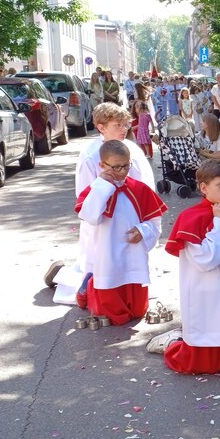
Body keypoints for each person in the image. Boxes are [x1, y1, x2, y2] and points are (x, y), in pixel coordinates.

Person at [147, 160, 220, 374]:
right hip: (209, 295)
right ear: (204, 187)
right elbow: (206, 260)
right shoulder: (191, 217)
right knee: (203, 364)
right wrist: (219, 224)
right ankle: (172, 342)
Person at [47, 104, 156, 306]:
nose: (124, 129)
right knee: (99, 269)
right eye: (117, 125)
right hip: (103, 223)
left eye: (125, 124)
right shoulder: (91, 155)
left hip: (131, 217)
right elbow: (84, 195)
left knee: (130, 265)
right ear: (101, 127)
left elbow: (146, 185)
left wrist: (145, 219)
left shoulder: (132, 150)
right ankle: (62, 276)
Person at [75, 140, 167, 326]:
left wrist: (143, 230)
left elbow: (155, 222)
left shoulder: (139, 189)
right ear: (102, 165)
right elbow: (90, 216)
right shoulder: (96, 189)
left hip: (133, 253)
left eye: (126, 166)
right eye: (116, 167)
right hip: (107, 253)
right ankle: (87, 288)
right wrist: (103, 186)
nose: (123, 171)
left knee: (138, 311)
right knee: (113, 314)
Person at [131, 89, 158, 158]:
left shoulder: (145, 114)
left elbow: (151, 121)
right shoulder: (137, 116)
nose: (138, 108)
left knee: (145, 142)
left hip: (144, 130)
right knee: (139, 142)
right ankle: (142, 153)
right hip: (139, 131)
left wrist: (153, 129)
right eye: (137, 106)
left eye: (139, 106)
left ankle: (147, 154)